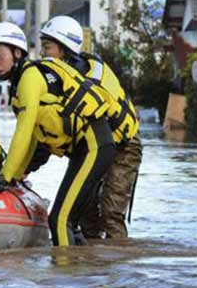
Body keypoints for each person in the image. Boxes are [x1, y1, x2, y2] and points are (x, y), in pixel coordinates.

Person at [0, 21, 115, 247]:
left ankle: (63, 278)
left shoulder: (29, 77)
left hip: (94, 145)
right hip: (88, 149)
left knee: (60, 221)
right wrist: (16, 175)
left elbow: (22, 133)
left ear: (17, 52)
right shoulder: (20, 84)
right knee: (70, 222)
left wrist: (4, 177)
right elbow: (34, 137)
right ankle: (87, 270)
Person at [39, 15, 142, 239]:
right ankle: (92, 266)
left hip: (124, 147)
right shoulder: (67, 78)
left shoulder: (86, 82)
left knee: (110, 214)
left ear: (64, 50)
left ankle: (119, 266)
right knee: (86, 211)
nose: (42, 54)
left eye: (47, 47)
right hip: (98, 148)